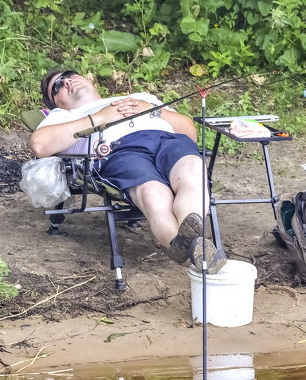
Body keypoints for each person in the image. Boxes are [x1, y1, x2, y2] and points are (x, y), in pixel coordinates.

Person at [30, 69, 226, 273]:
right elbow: (40, 145)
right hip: (120, 152)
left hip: (168, 142)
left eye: (70, 75)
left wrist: (153, 110)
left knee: (194, 169)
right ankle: (191, 246)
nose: (67, 82)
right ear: (54, 102)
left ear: (89, 79)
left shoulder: (140, 98)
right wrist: (100, 117)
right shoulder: (63, 116)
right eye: (57, 86)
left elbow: (189, 132)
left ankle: (188, 244)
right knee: (152, 194)